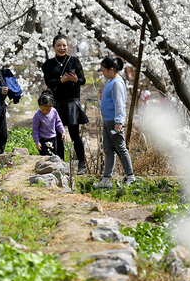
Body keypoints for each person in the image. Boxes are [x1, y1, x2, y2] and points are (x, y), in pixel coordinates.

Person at [41, 34, 90, 174]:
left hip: (72, 102)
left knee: (75, 134)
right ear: (53, 47)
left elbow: (83, 80)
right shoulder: (48, 64)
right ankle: (60, 163)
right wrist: (60, 81)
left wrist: (75, 80)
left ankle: (82, 164)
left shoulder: (74, 61)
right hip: (57, 103)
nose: (62, 48)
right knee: (57, 134)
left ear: (68, 46)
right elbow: (48, 83)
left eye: (64, 45)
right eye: (59, 45)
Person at [95, 56, 136, 189]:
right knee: (108, 149)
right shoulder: (111, 81)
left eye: (104, 71)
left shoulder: (117, 83)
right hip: (108, 121)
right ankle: (107, 179)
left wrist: (119, 121)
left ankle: (130, 176)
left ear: (111, 69)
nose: (103, 73)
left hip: (114, 122)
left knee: (121, 148)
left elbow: (120, 104)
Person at [32, 91, 66, 157]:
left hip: (53, 138)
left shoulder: (54, 111)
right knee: (46, 158)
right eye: (43, 109)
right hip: (43, 140)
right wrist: (37, 142)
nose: (45, 111)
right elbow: (35, 130)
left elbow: (58, 123)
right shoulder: (37, 116)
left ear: (52, 105)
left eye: (48, 109)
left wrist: (63, 132)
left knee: (54, 156)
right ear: (39, 106)